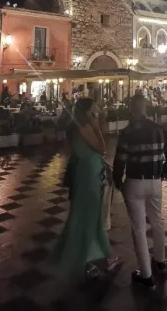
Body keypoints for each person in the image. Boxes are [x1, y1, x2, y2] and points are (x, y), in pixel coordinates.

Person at [48, 98, 119, 281]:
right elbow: (102, 148)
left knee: (86, 215)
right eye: (94, 109)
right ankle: (91, 259)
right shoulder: (84, 127)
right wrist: (96, 127)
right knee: (90, 215)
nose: (96, 112)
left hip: (84, 172)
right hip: (88, 175)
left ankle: (95, 257)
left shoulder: (74, 127)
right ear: (87, 111)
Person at [113, 95, 167, 290]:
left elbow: (120, 160)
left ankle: (146, 275)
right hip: (155, 182)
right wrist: (163, 172)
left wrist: (118, 180)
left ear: (131, 109)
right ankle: (160, 261)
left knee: (139, 229)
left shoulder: (127, 132)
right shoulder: (160, 130)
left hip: (134, 182)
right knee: (157, 221)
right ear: (146, 108)